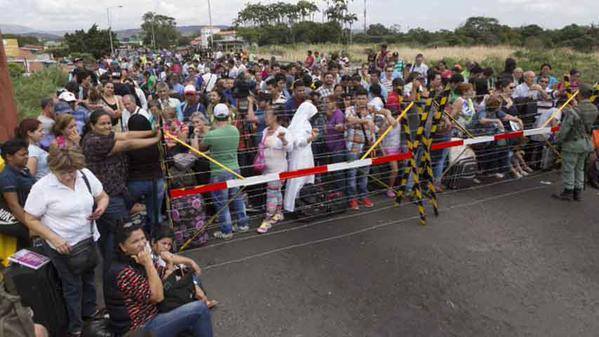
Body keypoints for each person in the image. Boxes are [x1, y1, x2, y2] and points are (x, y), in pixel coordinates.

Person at [23, 147, 109, 337]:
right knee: (72, 287)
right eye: (64, 173)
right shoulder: (42, 187)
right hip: (63, 246)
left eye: (73, 171)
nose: (70, 177)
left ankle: (91, 314)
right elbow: (30, 218)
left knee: (90, 280)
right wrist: (53, 238)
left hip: (88, 239)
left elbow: (102, 196)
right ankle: (76, 326)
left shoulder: (85, 175)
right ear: (53, 169)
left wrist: (101, 207)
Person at [82, 109, 161, 276]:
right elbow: (127, 144)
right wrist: (155, 139)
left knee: (108, 237)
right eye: (102, 124)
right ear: (92, 125)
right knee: (123, 235)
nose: (107, 126)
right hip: (109, 196)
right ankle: (121, 274)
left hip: (111, 194)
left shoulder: (102, 137)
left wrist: (152, 131)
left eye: (109, 123)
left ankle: (112, 272)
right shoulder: (93, 141)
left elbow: (126, 135)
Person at [106, 222, 213, 337]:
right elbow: (157, 297)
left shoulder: (137, 257)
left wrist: (194, 284)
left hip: (154, 313)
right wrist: (149, 264)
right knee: (199, 309)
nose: (142, 244)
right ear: (123, 247)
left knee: (193, 279)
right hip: (139, 328)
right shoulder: (123, 271)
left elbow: (168, 275)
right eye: (135, 241)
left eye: (143, 239)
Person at [197, 103, 249, 240]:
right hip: (235, 168)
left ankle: (226, 231)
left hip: (219, 172)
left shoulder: (211, 135)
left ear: (214, 116)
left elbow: (200, 149)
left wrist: (197, 136)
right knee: (237, 197)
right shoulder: (234, 130)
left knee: (222, 203)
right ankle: (243, 224)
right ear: (228, 115)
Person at [553, 84, 599, 201]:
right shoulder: (594, 109)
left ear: (579, 94)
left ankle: (568, 190)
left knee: (569, 168)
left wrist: (557, 140)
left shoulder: (573, 111)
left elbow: (564, 130)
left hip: (572, 143)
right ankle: (577, 191)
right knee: (580, 168)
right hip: (587, 141)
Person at [151, 227, 217, 308]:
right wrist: (170, 262)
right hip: (163, 290)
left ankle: (200, 300)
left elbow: (172, 256)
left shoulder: (159, 253)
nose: (166, 247)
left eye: (169, 245)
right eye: (163, 243)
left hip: (170, 284)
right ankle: (202, 300)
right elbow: (168, 280)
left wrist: (191, 262)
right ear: (153, 242)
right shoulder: (150, 258)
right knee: (187, 279)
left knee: (190, 275)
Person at [256, 107, 293, 234]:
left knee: (271, 193)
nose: (265, 118)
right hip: (267, 168)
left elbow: (289, 148)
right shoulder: (265, 130)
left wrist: (283, 139)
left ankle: (267, 219)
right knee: (276, 192)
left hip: (279, 169)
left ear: (275, 117)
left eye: (267, 116)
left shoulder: (283, 131)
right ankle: (278, 212)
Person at [283, 100, 319, 213]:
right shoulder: (297, 125)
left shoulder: (306, 123)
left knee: (307, 179)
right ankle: (292, 206)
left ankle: (306, 203)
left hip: (307, 155)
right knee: (297, 180)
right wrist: (310, 139)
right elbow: (298, 142)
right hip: (299, 156)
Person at [0, 139, 36, 248]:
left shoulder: (24, 170)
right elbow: (14, 206)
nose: (26, 157)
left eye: (27, 154)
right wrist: (32, 226)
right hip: (23, 221)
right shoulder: (7, 177)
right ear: (9, 157)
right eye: (22, 155)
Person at [344, 88, 375, 210]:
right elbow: (350, 120)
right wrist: (366, 121)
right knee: (352, 174)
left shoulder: (371, 109)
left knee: (364, 174)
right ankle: (352, 199)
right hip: (353, 148)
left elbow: (384, 111)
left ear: (367, 99)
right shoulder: (349, 109)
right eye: (359, 98)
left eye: (363, 98)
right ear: (355, 99)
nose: (361, 101)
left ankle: (363, 196)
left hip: (367, 147)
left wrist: (388, 115)